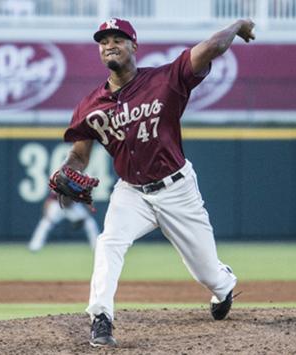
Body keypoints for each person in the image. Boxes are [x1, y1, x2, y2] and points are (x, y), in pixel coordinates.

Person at [52, 17, 255, 346]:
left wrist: (238, 25)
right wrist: (68, 169)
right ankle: (100, 318)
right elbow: (79, 154)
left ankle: (224, 284)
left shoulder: (166, 79)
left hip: (177, 189)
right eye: (103, 41)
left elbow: (212, 47)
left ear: (134, 46)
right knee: (109, 243)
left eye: (118, 39)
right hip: (131, 193)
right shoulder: (90, 106)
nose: (109, 45)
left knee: (208, 275)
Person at [27, 193, 99, 252]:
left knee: (90, 223)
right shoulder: (60, 183)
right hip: (58, 206)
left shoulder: (78, 186)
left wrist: (87, 213)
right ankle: (35, 246)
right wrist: (46, 214)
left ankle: (96, 247)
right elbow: (49, 200)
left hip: (73, 206)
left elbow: (88, 200)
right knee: (45, 223)